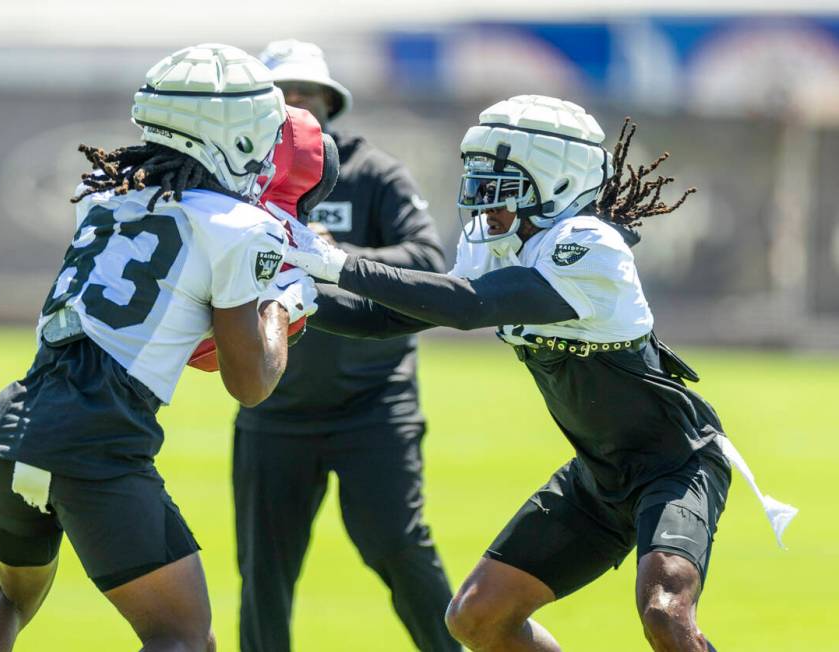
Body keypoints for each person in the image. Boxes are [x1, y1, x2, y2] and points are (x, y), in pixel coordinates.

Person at [282, 95, 796, 652]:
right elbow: (388, 316)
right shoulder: (497, 241)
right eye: (477, 180)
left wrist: (330, 261)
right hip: (598, 474)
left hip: (676, 465)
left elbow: (468, 305)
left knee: (664, 613)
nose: (483, 199)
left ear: (553, 179)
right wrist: (295, 297)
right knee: (476, 618)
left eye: (499, 182)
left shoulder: (591, 245)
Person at [0, 43, 333, 652]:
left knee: (9, 598)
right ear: (231, 137)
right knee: (181, 637)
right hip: (98, 439)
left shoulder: (106, 196)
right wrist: (284, 303)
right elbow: (251, 384)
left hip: (13, 420)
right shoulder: (240, 227)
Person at [231, 39, 459, 652]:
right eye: (281, 92)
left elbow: (429, 262)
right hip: (273, 404)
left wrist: (332, 258)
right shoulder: (239, 179)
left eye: (306, 91)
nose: (294, 101)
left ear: (331, 102)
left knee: (397, 545)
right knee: (264, 571)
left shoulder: (372, 172)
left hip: (374, 401)